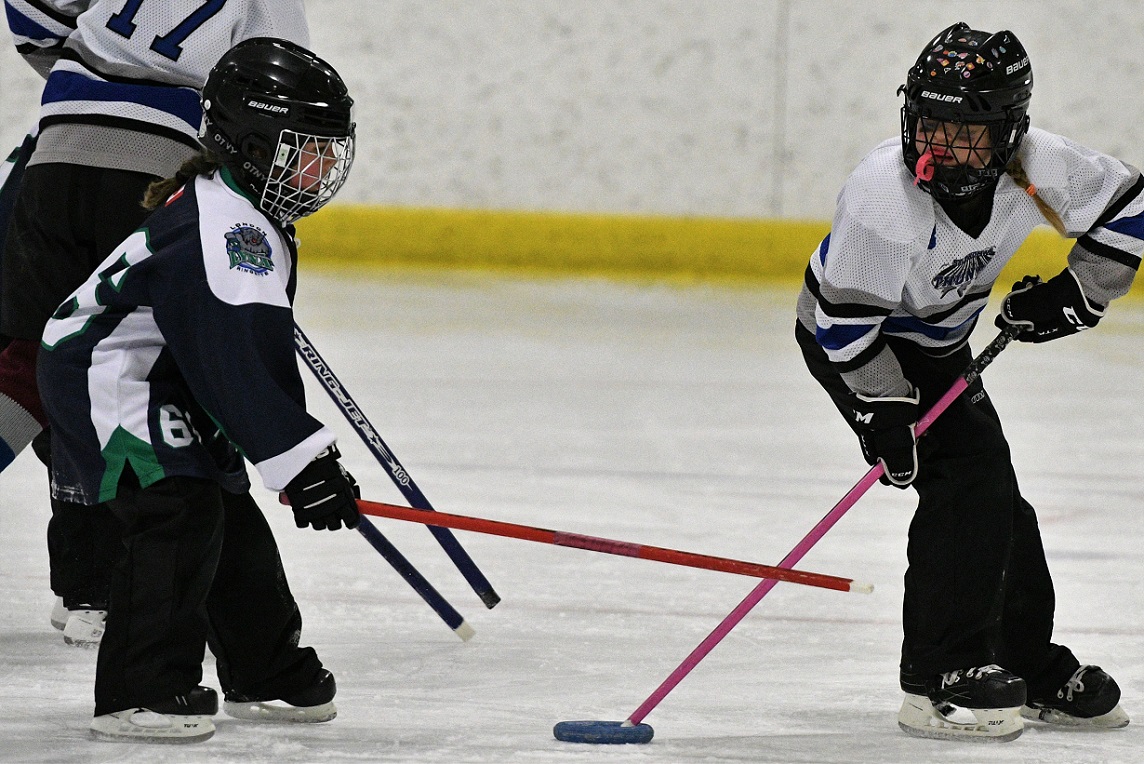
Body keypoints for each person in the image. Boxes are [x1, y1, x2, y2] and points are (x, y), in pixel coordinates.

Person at [795, 22, 1139, 742]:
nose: (942, 146)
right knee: (966, 484)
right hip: (862, 344)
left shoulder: (1039, 165)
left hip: (937, 339)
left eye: (966, 130)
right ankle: (939, 680)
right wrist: (881, 410)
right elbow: (841, 332)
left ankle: (1024, 663)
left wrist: (1079, 293)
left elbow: (1131, 210)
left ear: (1009, 132)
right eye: (931, 123)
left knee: (999, 502)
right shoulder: (882, 198)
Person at [37, 36, 360, 743]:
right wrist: (303, 463)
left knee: (226, 511)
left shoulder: (242, 209)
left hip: (166, 371)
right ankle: (140, 689)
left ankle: (266, 672)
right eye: (304, 147)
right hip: (108, 375)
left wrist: (300, 458)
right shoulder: (230, 227)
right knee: (176, 512)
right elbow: (235, 361)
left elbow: (240, 354)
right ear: (250, 143)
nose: (320, 167)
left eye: (329, 150)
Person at [1, 0, 308, 646]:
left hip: (52, 155)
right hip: (156, 170)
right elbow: (278, 93)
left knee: (43, 364)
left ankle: (87, 586)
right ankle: (110, 588)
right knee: (145, 375)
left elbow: (29, 13)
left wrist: (93, 87)